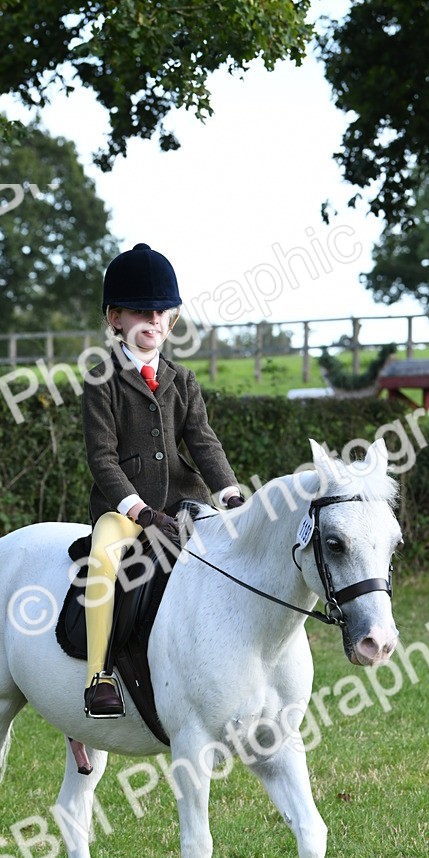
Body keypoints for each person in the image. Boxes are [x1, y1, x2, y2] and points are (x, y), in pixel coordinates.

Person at [81, 242, 244, 717]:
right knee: (105, 556)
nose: (151, 321)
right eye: (139, 312)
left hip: (185, 503)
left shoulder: (183, 379)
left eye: (160, 313)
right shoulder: (100, 381)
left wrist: (230, 493)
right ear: (115, 319)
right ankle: (99, 674)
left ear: (171, 320)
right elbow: (102, 458)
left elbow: (204, 443)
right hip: (127, 511)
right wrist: (137, 510)